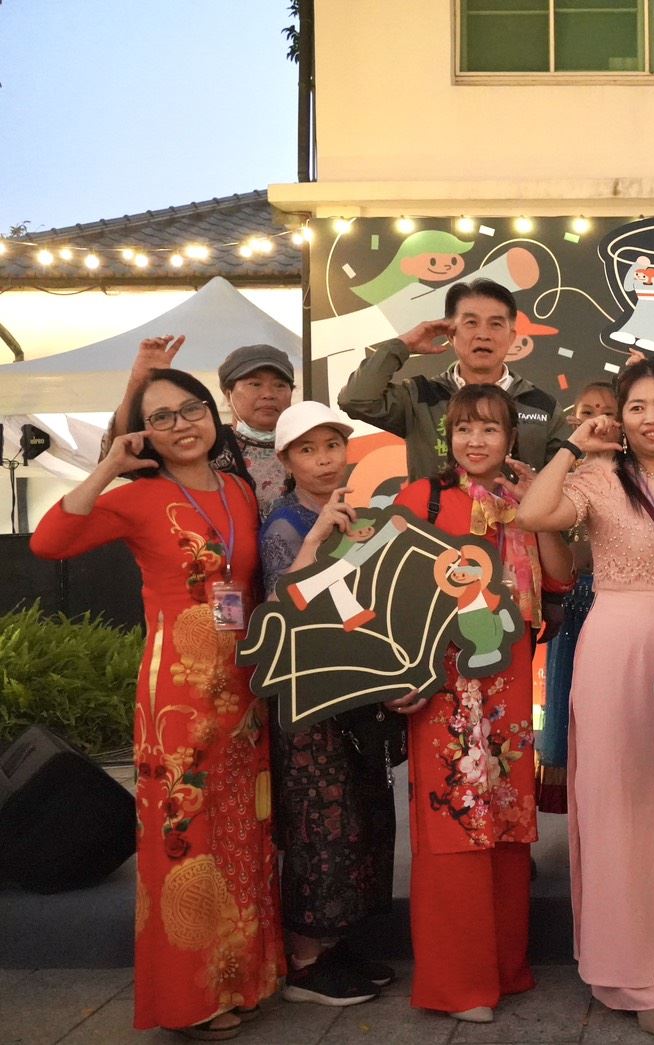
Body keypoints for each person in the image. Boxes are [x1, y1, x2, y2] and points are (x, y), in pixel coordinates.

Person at [32, 368, 284, 1039]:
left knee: (241, 832)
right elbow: (48, 542)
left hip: (244, 687)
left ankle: (240, 977)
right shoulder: (136, 497)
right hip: (177, 693)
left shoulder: (237, 488)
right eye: (162, 417)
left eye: (190, 409)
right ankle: (190, 997)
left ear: (212, 413)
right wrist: (109, 466)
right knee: (186, 835)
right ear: (144, 433)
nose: (182, 425)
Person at [519, 359, 654, 1041]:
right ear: (620, 417)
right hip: (614, 650)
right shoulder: (599, 478)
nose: (650, 417)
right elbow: (532, 512)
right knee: (616, 802)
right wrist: (572, 445)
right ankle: (631, 970)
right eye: (636, 406)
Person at [383, 385, 573, 1024]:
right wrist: (398, 676)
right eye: (464, 428)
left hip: (508, 681)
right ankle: (457, 983)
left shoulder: (524, 501)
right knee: (453, 820)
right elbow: (386, 589)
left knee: (507, 821)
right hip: (442, 682)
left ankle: (503, 968)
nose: (475, 440)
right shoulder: (423, 498)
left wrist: (537, 507)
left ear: (511, 438)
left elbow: (560, 577)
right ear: (448, 436)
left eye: (490, 429)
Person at [258, 401, 399, 1007]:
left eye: (332, 446)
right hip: (308, 696)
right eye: (308, 450)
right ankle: (304, 960)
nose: (323, 459)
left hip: (354, 691)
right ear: (286, 460)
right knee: (320, 825)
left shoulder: (357, 515)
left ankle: (336, 945)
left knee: (360, 818)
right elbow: (285, 610)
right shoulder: (285, 524)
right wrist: (318, 539)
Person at [337, 277, 571, 482]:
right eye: (471, 323)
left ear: (511, 337)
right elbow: (355, 400)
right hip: (433, 520)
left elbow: (569, 480)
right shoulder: (420, 397)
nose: (483, 334)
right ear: (450, 334)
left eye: (495, 324)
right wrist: (403, 345)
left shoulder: (542, 407)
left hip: (518, 520)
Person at [537, 381, 618, 814]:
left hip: (617, 608)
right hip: (573, 603)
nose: (599, 420)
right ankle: (582, 812)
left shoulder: (634, 477)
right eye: (589, 411)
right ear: (574, 419)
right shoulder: (562, 478)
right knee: (569, 703)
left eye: (608, 411)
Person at [107, 338, 296, 516]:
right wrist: (138, 383)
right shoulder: (204, 442)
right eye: (255, 384)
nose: (268, 394)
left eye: (280, 385)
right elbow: (125, 454)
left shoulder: (303, 443)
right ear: (227, 393)